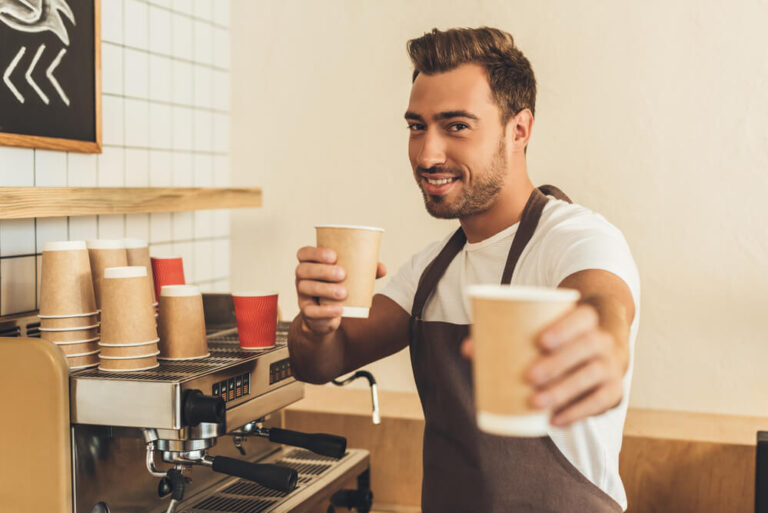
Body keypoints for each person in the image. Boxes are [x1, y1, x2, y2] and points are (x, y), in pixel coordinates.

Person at [288, 27, 640, 512]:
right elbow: (323, 360)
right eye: (417, 126)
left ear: (519, 130)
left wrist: (604, 341)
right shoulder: (432, 269)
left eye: (456, 126)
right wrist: (317, 321)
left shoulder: (575, 238)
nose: (428, 154)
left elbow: (604, 303)